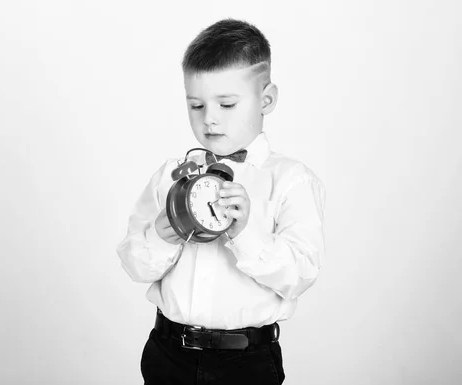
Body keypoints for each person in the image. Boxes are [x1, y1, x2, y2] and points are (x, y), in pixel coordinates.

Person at [117, 18, 325, 385]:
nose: (209, 119)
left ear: (267, 99)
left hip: (246, 362)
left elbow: (299, 275)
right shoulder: (171, 175)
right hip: (169, 354)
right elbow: (134, 264)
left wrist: (246, 234)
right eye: (196, 105)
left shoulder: (291, 180)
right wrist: (161, 236)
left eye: (226, 104)